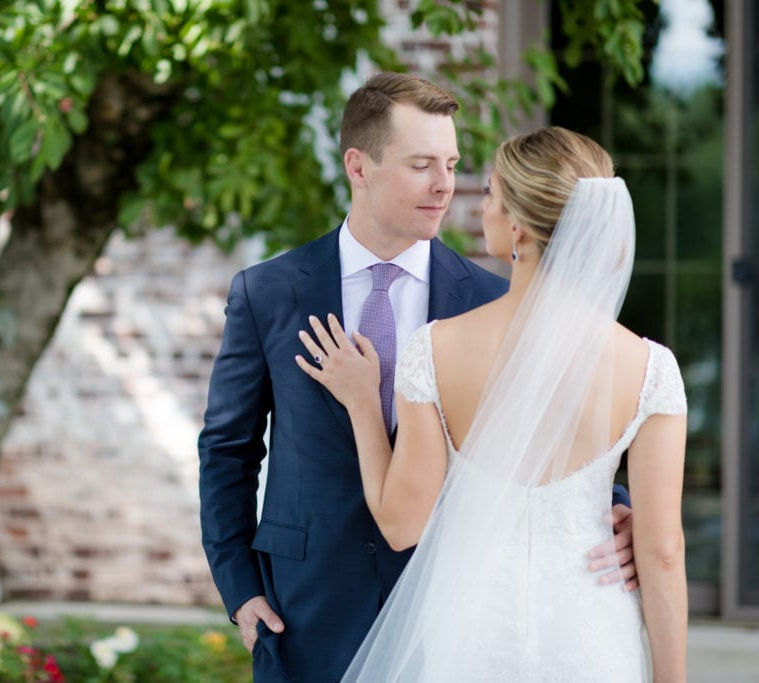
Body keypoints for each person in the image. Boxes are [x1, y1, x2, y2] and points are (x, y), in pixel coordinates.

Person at [198, 73, 636, 682]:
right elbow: (227, 451)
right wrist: (240, 588)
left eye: (452, 164)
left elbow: (551, 428)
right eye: (422, 164)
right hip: (304, 610)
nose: (445, 186)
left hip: (452, 609)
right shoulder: (269, 292)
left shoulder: (493, 298)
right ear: (359, 166)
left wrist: (612, 507)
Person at [297, 126, 687, 681]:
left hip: (472, 633)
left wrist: (363, 403)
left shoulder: (434, 349)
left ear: (519, 228)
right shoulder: (651, 369)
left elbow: (401, 525)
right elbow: (664, 551)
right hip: (590, 632)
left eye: (491, 197)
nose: (480, 209)